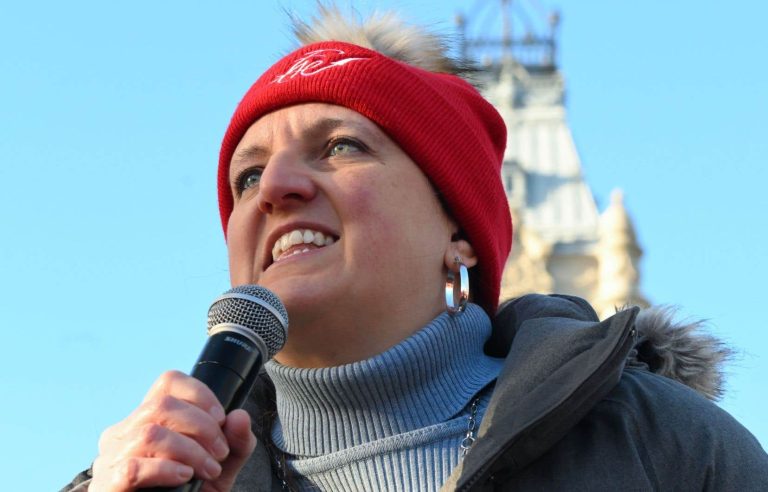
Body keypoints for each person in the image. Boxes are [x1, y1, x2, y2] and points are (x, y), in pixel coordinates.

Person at [63, 5, 768, 491]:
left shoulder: (661, 444)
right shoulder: (165, 471)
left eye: (339, 147)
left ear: (458, 232)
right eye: (246, 175)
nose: (274, 185)